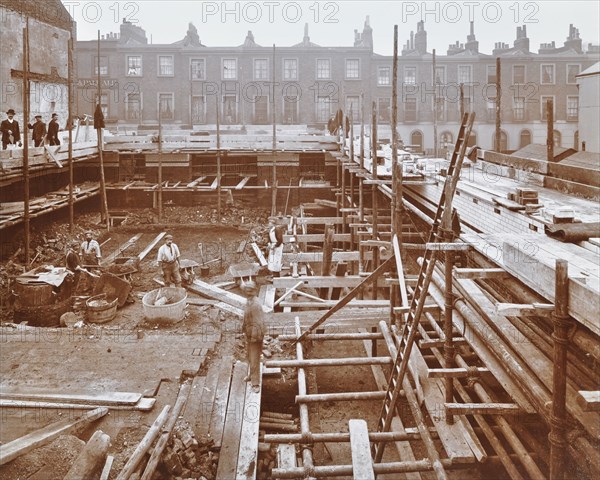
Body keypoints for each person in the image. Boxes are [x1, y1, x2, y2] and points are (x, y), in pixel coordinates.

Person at [241, 280, 265, 393]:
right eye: (246, 291)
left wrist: (255, 337)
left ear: (254, 291)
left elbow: (258, 323)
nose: (248, 293)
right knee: (249, 356)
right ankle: (251, 375)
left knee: (254, 358)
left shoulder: (256, 305)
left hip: (256, 335)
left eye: (250, 291)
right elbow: (246, 316)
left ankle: (255, 383)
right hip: (249, 333)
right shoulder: (249, 302)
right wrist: (243, 328)